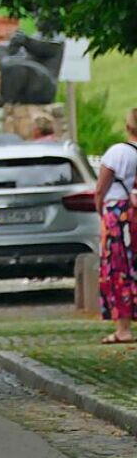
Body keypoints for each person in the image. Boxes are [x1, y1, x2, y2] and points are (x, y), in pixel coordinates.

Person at [94, 108, 137, 344]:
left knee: (117, 268)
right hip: (134, 213)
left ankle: (123, 328)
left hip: (116, 213)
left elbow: (101, 188)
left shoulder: (118, 152)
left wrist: (101, 211)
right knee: (133, 266)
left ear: (128, 126)